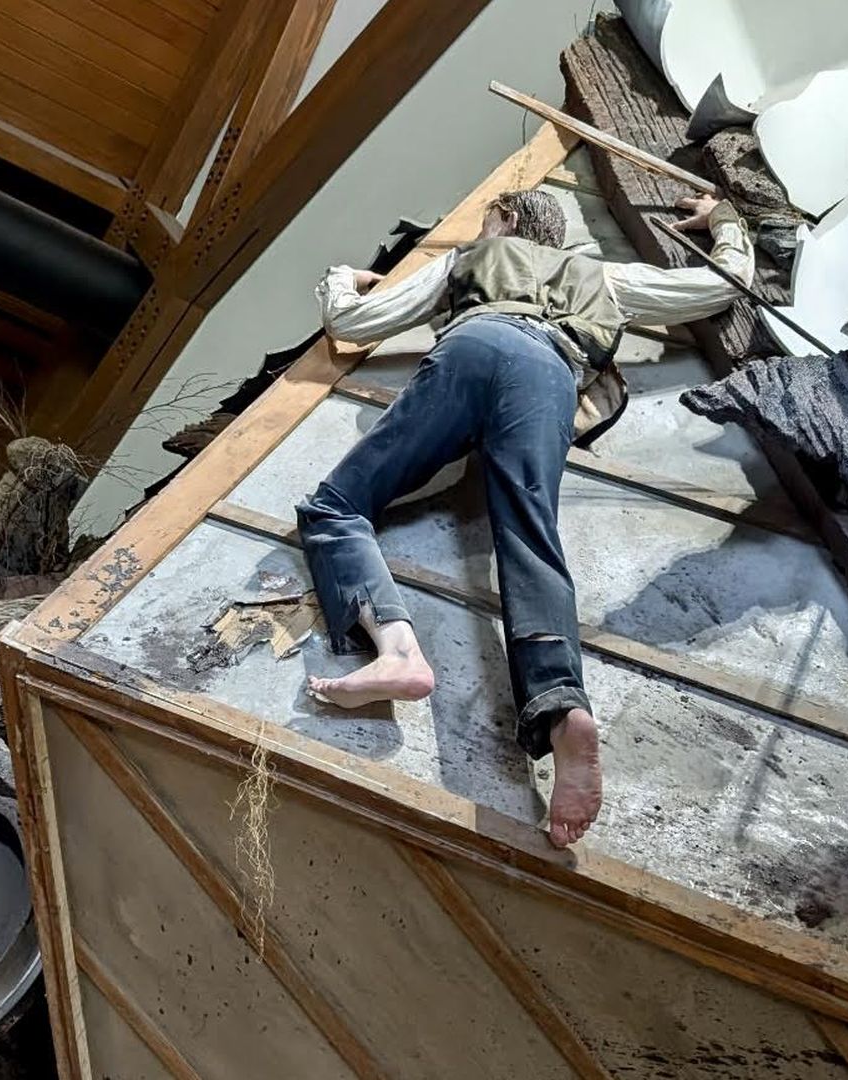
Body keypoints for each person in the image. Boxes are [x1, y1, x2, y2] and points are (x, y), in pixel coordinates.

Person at [296, 187, 755, 848]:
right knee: (529, 538)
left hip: (474, 348)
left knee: (336, 506)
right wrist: (725, 220)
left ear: (506, 220)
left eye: (490, 220)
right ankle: (563, 709)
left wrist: (342, 279)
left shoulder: (471, 259)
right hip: (550, 373)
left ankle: (396, 649)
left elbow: (353, 324)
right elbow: (722, 286)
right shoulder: (605, 278)